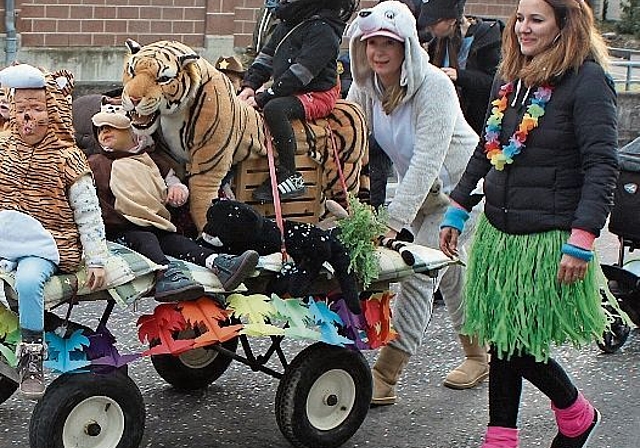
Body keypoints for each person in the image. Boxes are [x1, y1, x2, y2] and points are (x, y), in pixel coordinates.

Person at [439, 0, 618, 446]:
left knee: (516, 342)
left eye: (536, 19)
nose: (522, 27)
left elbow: (601, 165)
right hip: (499, 233)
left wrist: (582, 238)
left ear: (565, 25)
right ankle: (511, 433)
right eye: (520, 18)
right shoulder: (512, 78)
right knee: (504, 339)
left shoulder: (589, 81)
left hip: (547, 238)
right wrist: (457, 208)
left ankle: (570, 414)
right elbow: (488, 148)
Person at [346, 0, 484, 405]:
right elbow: (348, 138)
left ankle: (386, 373)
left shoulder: (435, 87)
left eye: (389, 42)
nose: (378, 52)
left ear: (407, 44)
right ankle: (479, 355)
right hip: (423, 194)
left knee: (418, 273)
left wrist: (392, 223)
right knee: (453, 273)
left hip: (462, 193)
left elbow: (427, 161)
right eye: (371, 43)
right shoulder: (366, 86)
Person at [0, 64, 110, 398]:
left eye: (35, 109)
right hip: (5, 238)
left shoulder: (67, 157)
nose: (26, 119)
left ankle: (32, 360)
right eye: (21, 111)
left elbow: (88, 213)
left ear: (55, 111)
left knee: (30, 280)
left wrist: (97, 259)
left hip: (44, 243)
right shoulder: (5, 149)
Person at [87, 100, 259, 298]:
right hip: (121, 228)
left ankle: (216, 262)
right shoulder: (96, 164)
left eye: (112, 128)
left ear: (133, 132)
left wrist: (177, 189)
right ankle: (166, 273)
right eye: (100, 130)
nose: (104, 133)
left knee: (176, 241)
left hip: (156, 222)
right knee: (146, 240)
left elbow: (171, 180)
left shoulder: (151, 159)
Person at [238, 0, 357, 202]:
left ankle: (290, 176)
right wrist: (248, 87)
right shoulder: (288, 22)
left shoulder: (324, 30)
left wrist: (263, 97)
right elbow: (265, 58)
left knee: (275, 109)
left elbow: (301, 74)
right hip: (290, 87)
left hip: (318, 92)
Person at [418, 0, 502, 135]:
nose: (429, 29)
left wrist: (460, 76)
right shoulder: (437, 43)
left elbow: (495, 82)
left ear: (451, 20)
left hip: (475, 122)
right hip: (444, 120)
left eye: (434, 24)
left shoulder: (487, 37)